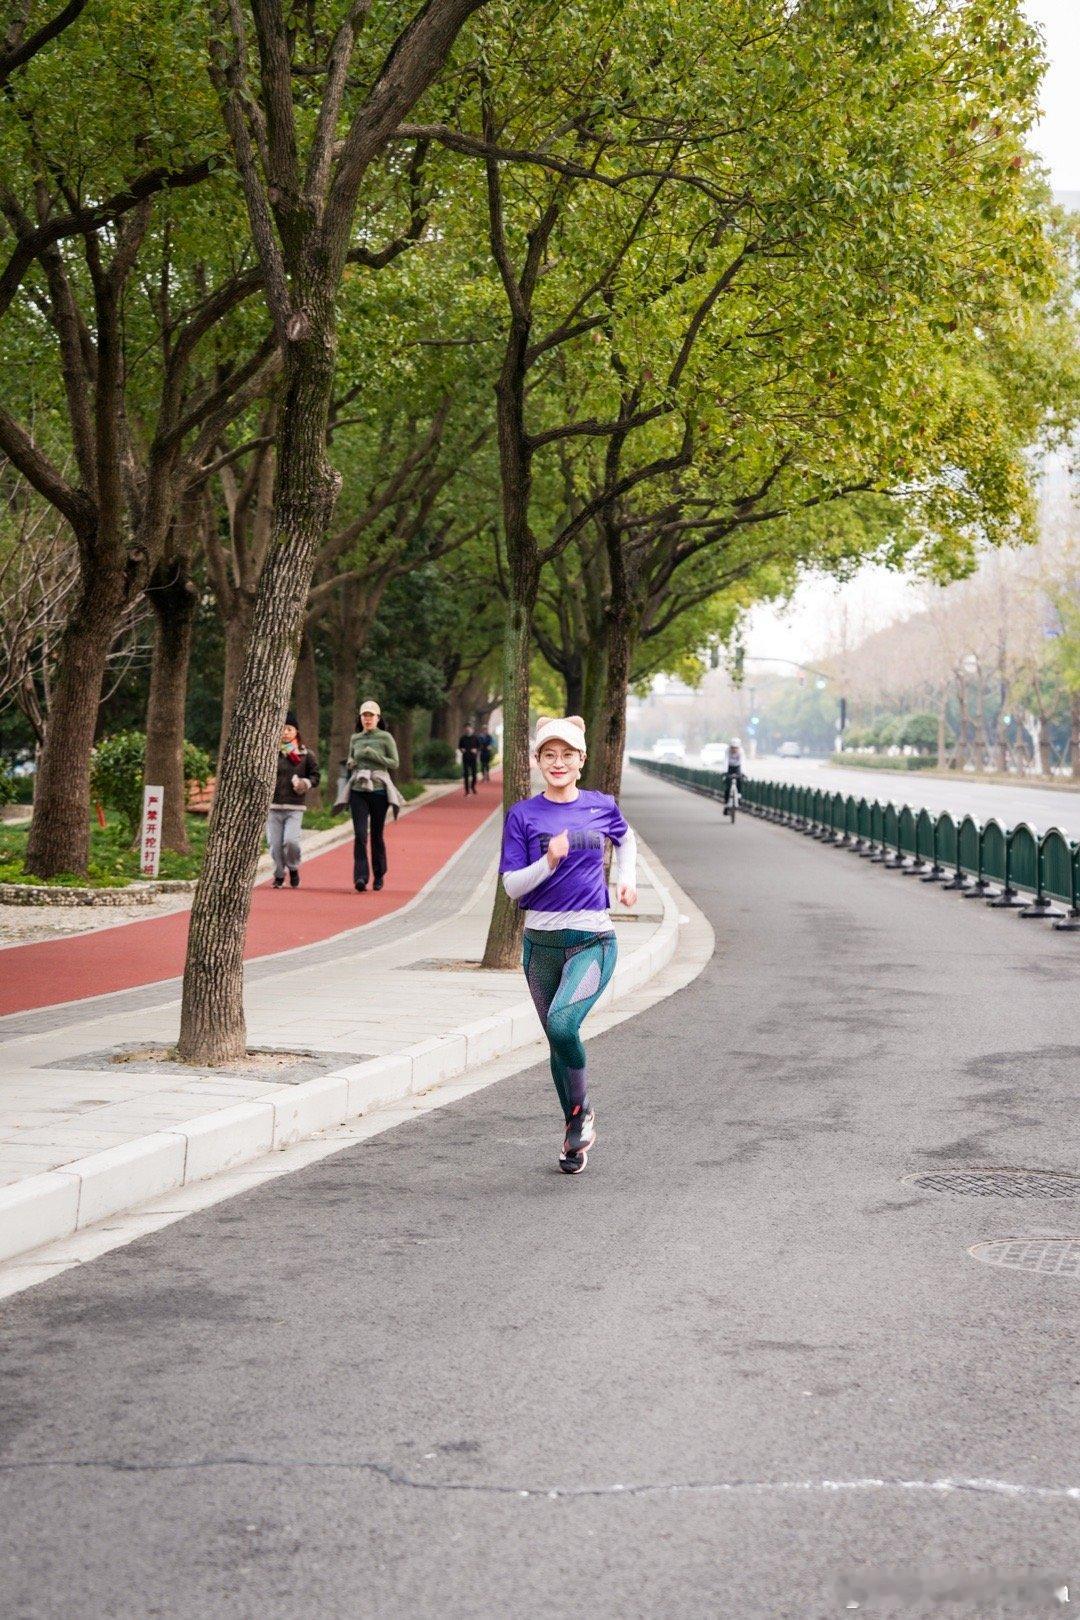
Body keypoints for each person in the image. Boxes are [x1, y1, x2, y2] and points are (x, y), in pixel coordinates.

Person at [499, 715, 637, 1175]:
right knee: (558, 1044)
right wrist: (548, 859)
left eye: (568, 755)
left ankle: (581, 1115)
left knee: (562, 1027)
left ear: (581, 760)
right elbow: (512, 887)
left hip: (593, 940)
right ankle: (574, 1131)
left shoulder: (601, 805)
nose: (558, 763)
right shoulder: (522, 815)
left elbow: (627, 839)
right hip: (540, 944)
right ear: (537, 761)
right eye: (549, 755)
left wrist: (625, 881)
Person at [345, 700, 404, 892]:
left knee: (376, 835)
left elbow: (394, 763)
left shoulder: (385, 738)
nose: (367, 719)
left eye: (371, 716)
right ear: (360, 718)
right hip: (358, 789)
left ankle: (379, 875)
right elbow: (351, 758)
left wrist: (372, 755)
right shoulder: (355, 738)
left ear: (378, 718)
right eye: (364, 715)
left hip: (379, 790)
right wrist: (351, 762)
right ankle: (360, 877)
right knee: (360, 835)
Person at [267, 713, 319, 889]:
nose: (285, 733)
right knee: (274, 846)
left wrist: (305, 783)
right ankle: (279, 874)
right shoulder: (270, 753)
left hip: (294, 806)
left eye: (289, 729)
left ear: (296, 731)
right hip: (273, 806)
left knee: (291, 842)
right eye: (282, 729)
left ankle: (293, 868)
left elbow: (315, 776)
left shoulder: (306, 754)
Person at [458, 724, 480, 794]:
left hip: (473, 758)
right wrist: (462, 749)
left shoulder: (475, 738)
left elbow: (479, 747)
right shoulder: (462, 738)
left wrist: (476, 750)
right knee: (466, 775)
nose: (468, 730)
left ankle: (473, 787)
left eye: (469, 729)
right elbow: (459, 746)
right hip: (465, 758)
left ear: (471, 729)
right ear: (465, 730)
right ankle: (466, 790)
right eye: (466, 729)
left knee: (474, 774)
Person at [723, 735, 744, 805]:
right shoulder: (727, 750)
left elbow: (743, 762)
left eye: (736, 748)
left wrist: (743, 772)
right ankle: (726, 804)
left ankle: (739, 795)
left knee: (740, 780)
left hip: (737, 767)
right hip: (729, 767)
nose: (734, 750)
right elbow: (725, 761)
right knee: (728, 785)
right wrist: (725, 772)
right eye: (733, 748)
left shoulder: (741, 751)